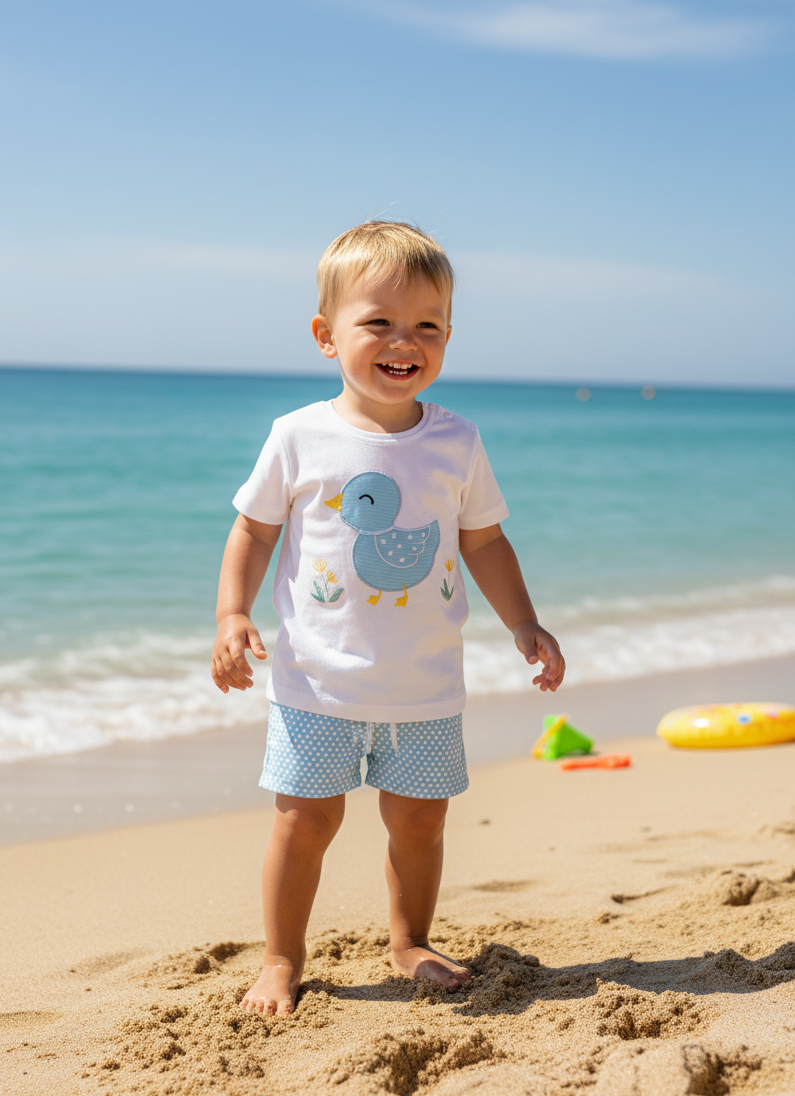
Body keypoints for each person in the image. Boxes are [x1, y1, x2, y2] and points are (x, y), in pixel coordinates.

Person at [210, 221, 565, 1016]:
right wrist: (232, 612)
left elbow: (485, 540)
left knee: (419, 825)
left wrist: (524, 624)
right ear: (325, 335)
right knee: (304, 823)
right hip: (315, 684)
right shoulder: (298, 437)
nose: (404, 341)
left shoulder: (457, 441)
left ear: (447, 337)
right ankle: (279, 957)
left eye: (427, 326)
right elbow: (253, 530)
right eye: (378, 322)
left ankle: (409, 942)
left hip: (426, 686)